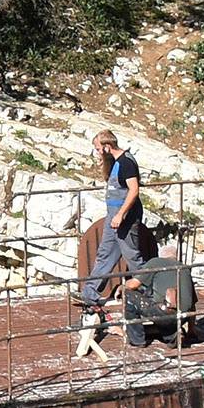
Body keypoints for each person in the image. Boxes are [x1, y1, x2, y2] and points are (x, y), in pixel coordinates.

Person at [79, 128, 152, 330]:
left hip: (125, 217)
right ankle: (90, 292)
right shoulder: (114, 164)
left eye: (97, 149)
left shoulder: (126, 163)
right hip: (113, 217)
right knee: (105, 254)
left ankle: (150, 290)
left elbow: (134, 190)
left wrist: (121, 215)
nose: (96, 152)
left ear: (107, 147)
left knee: (132, 256)